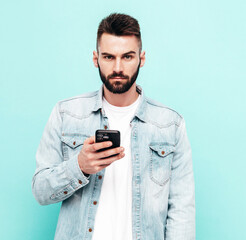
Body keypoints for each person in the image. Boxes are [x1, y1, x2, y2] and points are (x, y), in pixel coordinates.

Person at [32, 13, 195, 240]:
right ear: (95, 58)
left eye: (127, 57)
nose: (118, 68)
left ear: (142, 58)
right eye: (109, 57)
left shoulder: (170, 124)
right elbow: (40, 191)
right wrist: (79, 166)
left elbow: (182, 210)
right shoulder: (66, 114)